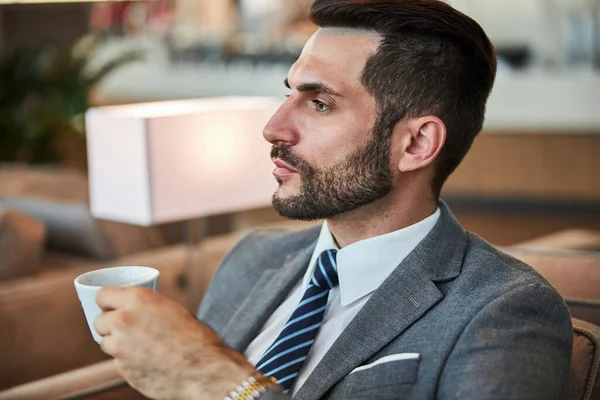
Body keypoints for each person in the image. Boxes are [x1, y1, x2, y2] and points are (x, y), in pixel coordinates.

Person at [93, 0, 573, 399]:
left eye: (319, 103)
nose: (273, 128)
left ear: (416, 144)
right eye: (291, 94)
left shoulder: (505, 311)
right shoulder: (252, 258)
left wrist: (218, 380)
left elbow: (206, 383)